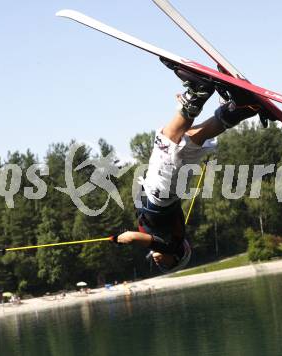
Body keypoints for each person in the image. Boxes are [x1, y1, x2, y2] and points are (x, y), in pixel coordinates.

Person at [112, 66, 262, 273]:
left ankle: (240, 109)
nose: (159, 263)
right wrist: (118, 239)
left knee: (191, 139)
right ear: (176, 256)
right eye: (165, 265)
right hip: (162, 190)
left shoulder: (173, 239)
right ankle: (198, 93)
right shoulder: (171, 245)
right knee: (168, 137)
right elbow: (132, 237)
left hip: (172, 189)